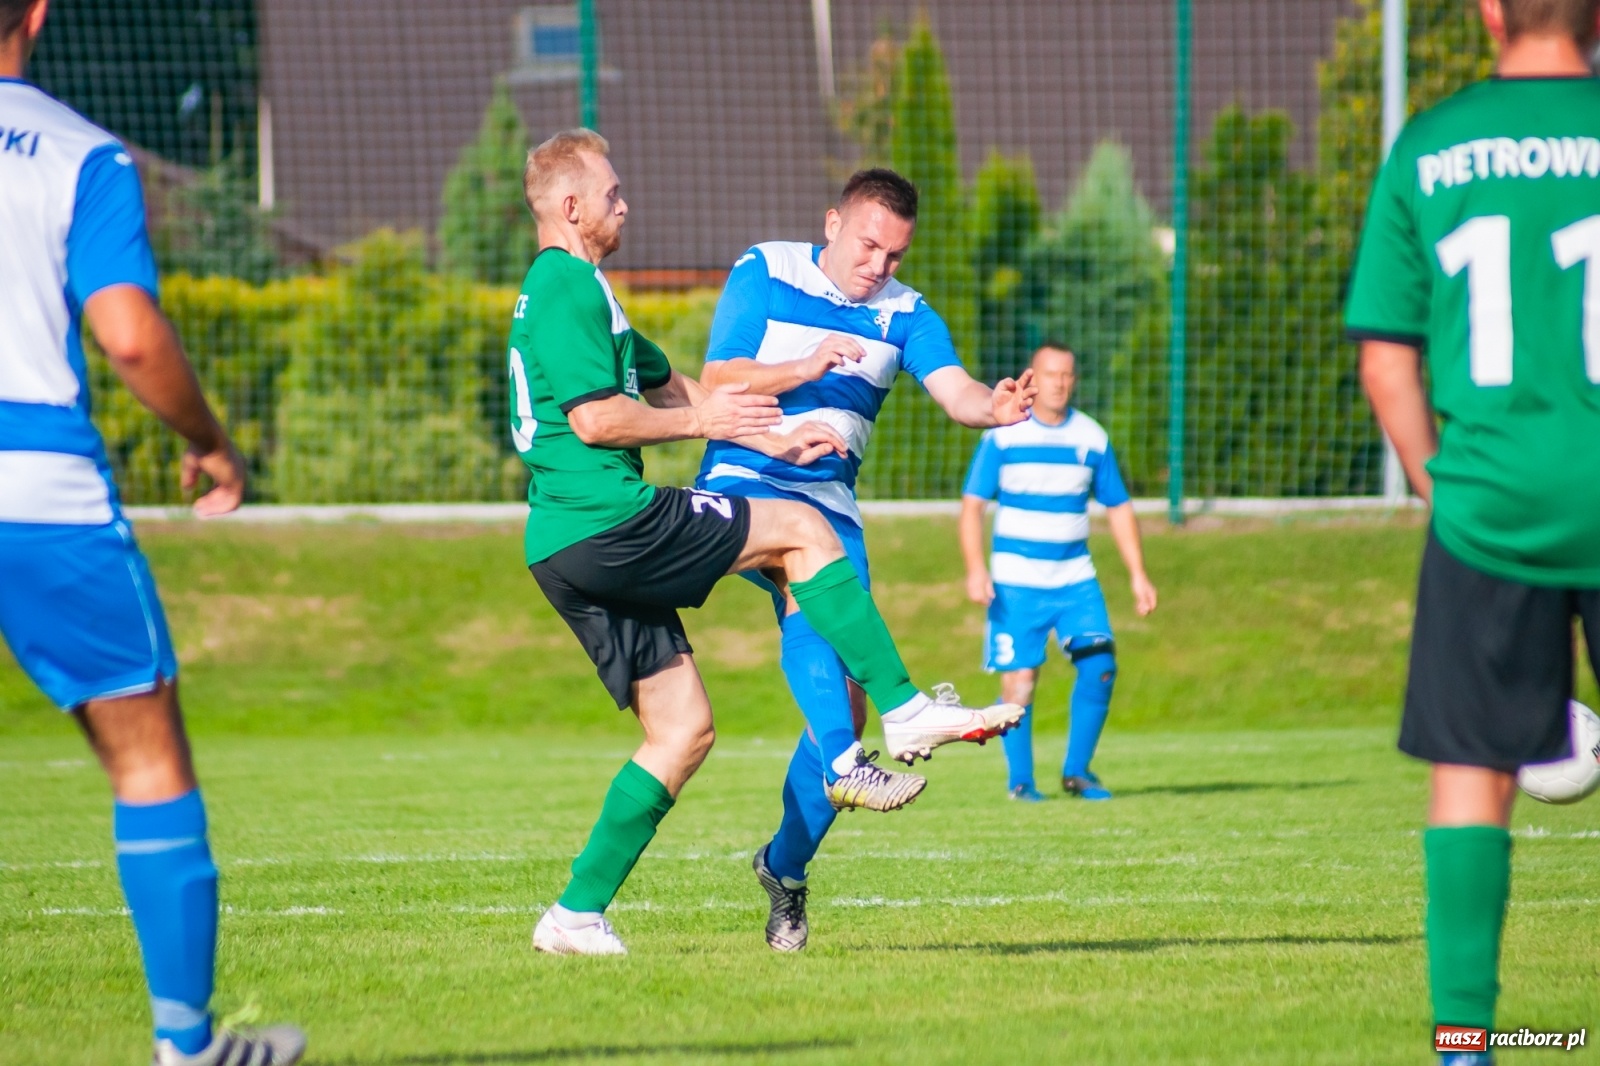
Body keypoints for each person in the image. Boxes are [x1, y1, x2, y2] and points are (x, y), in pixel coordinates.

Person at [509, 132, 1014, 957]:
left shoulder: (588, 290)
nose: (624, 204)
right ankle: (905, 713)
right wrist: (704, 422)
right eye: (611, 193)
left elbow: (671, 384)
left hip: (568, 544)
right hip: (604, 519)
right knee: (802, 531)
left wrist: (768, 435)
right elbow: (598, 419)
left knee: (683, 731)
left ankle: (573, 915)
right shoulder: (563, 282)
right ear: (571, 207)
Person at [0, 2, 306, 1064]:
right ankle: (187, 1046)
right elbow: (129, 336)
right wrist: (210, 441)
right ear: (39, 13)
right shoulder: (78, 153)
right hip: (33, 488)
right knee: (145, 757)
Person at [692, 167, 1035, 951]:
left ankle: (785, 869)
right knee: (801, 585)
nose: (879, 265)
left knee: (843, 707)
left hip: (831, 503)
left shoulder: (907, 314)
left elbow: (957, 392)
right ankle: (864, 752)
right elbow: (717, 377)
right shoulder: (767, 267)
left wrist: (995, 408)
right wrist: (806, 365)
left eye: (895, 254)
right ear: (832, 224)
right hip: (748, 474)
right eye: (868, 245)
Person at [1346, 1, 1600, 1061]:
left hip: (1489, 503)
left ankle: (1466, 1042)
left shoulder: (1433, 143)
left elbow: (1386, 361)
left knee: (1469, 769)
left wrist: (1434, 484)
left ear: (1490, 11)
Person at [959, 345, 1157, 802]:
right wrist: (975, 569)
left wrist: (1138, 574)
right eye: (1051, 374)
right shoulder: (1004, 435)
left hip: (1075, 581)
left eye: (1067, 374)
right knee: (1019, 685)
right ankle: (1021, 783)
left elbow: (1118, 507)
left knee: (1101, 666)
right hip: (1015, 584)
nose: (1060, 383)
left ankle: (1078, 772)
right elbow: (972, 507)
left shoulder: (1092, 438)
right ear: (1034, 376)